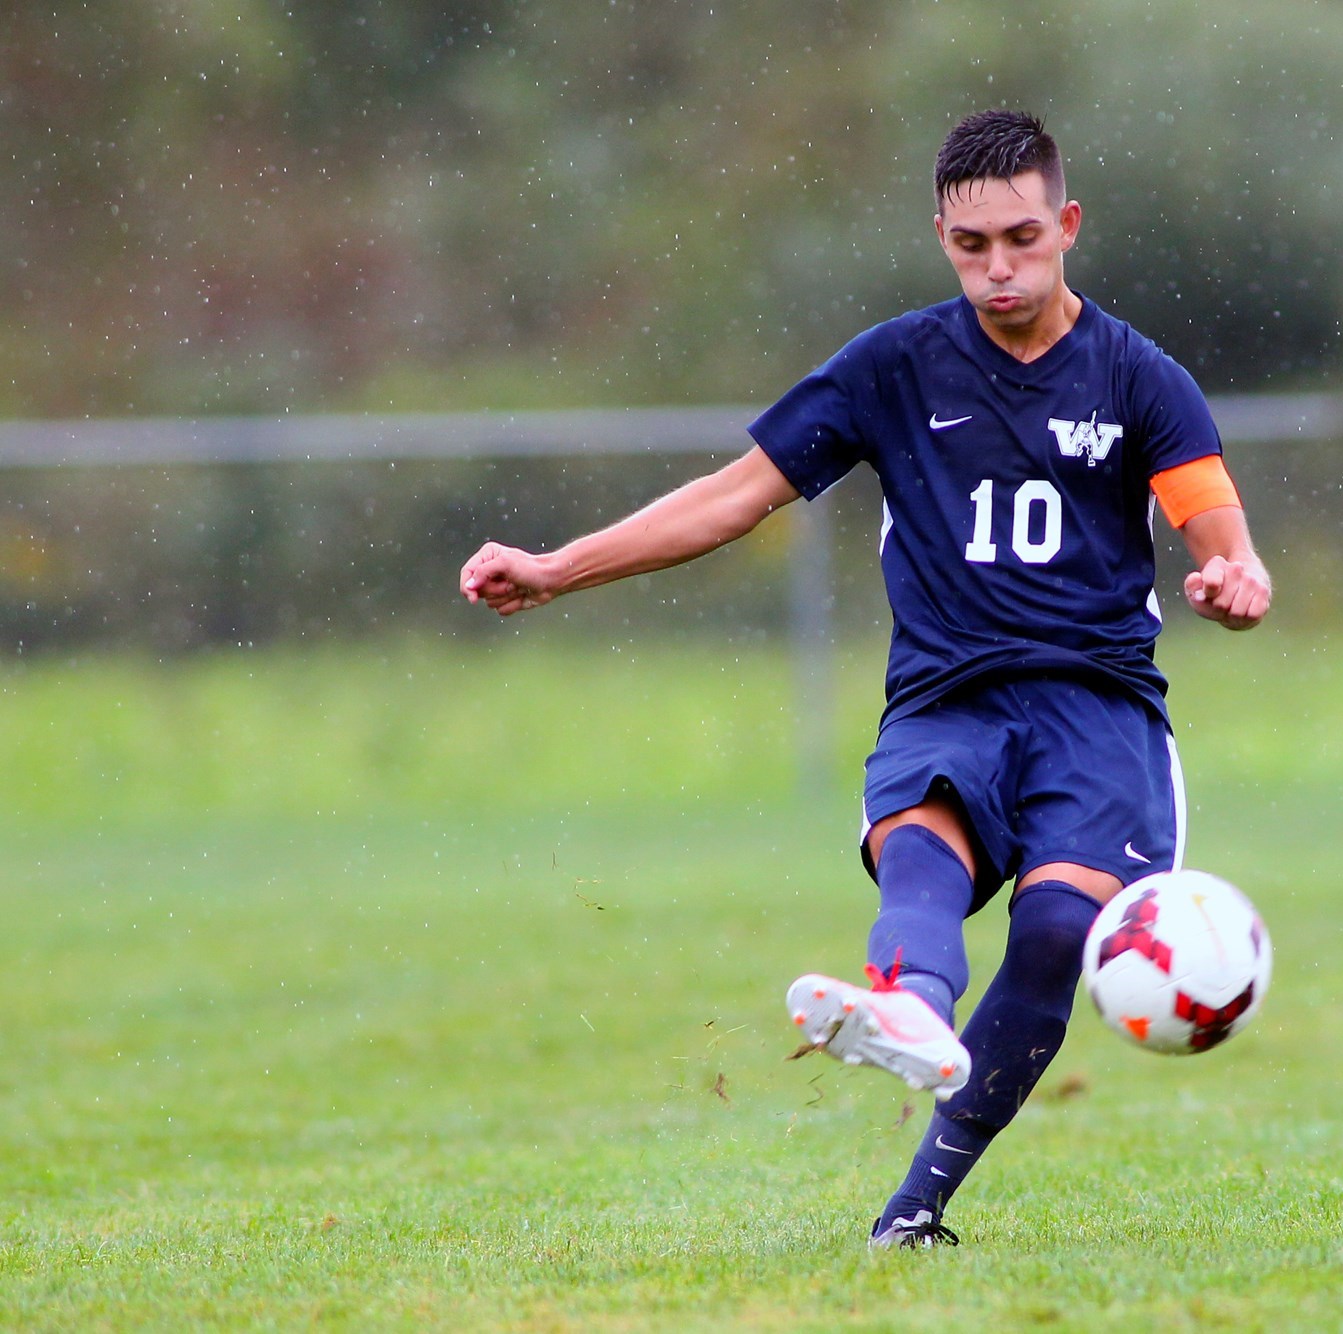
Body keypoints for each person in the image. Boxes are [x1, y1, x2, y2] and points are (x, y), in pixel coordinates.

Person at [460, 109, 1271, 1248]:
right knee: (919, 841)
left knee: (1049, 936)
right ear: (939, 233)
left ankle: (913, 1210)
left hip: (1096, 714)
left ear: (1067, 226)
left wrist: (1235, 580)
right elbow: (732, 494)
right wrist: (556, 568)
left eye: (1022, 239)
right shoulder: (893, 366)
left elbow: (1215, 529)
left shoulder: (1140, 378)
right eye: (970, 242)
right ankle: (906, 1007)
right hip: (946, 700)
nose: (998, 267)